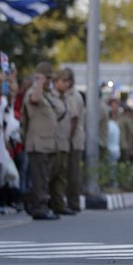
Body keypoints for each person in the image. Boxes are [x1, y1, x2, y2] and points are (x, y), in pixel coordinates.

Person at [22, 62, 61, 220]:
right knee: (40, 178)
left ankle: (36, 202)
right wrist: (38, 81)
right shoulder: (34, 92)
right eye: (47, 78)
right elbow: (35, 99)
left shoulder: (47, 94)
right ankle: (39, 207)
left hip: (48, 144)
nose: (49, 82)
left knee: (45, 177)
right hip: (37, 143)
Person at [61, 69, 85, 213]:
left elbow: (73, 120)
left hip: (73, 140)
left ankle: (73, 202)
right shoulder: (66, 95)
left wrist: (67, 139)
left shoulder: (73, 96)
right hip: (69, 138)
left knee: (72, 173)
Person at [51, 68, 75, 215]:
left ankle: (59, 205)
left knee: (61, 176)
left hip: (64, 142)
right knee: (51, 174)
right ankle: (46, 203)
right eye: (63, 81)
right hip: (53, 143)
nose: (67, 84)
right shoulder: (51, 98)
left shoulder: (65, 98)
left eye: (68, 81)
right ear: (56, 82)